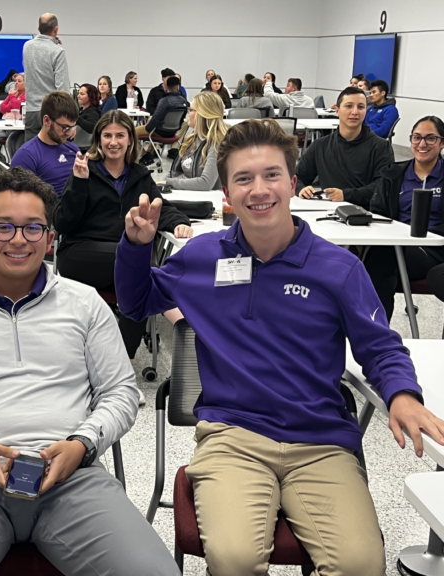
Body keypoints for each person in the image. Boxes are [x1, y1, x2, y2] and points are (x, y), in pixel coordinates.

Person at [114, 118, 444, 576]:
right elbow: (136, 302)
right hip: (233, 436)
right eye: (243, 179)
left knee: (360, 566)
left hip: (321, 440)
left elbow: (381, 347)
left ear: (292, 184)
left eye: (271, 175)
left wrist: (402, 394)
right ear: (227, 194)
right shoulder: (203, 257)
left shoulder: (338, 268)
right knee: (234, 561)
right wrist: (135, 246)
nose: (259, 189)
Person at [0, 166, 180, 576]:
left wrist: (82, 444)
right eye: (3, 227)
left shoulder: (86, 305)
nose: (19, 239)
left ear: (51, 239)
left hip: (72, 479)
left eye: (33, 228)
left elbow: (121, 393)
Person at [54, 109, 192, 370]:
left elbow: (161, 207)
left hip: (123, 257)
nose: (113, 142)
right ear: (98, 139)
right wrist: (79, 184)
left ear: (130, 139)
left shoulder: (139, 175)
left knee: (136, 279)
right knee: (140, 274)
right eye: (107, 135)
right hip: (81, 253)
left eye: (120, 135)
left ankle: (120, 365)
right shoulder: (85, 170)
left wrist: (180, 222)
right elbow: (62, 222)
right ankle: (122, 368)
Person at [365, 116, 444, 320]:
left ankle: (377, 334)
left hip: (434, 249)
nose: (422, 144)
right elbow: (378, 213)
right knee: (382, 259)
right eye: (416, 137)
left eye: (430, 138)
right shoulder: (394, 174)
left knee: (381, 261)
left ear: (442, 143)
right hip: (395, 243)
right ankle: (376, 330)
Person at [297, 86, 394, 208]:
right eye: (349, 106)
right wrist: (301, 189)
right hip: (327, 213)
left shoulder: (381, 147)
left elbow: (384, 186)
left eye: (360, 107)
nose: (354, 112)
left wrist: (346, 195)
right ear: (337, 110)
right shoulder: (320, 146)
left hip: (366, 216)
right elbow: (297, 177)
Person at [10, 91, 80, 196]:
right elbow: (19, 203)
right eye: (65, 127)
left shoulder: (74, 150)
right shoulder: (26, 156)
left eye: (72, 127)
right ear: (47, 120)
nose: (69, 133)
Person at [162, 91, 228, 191]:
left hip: (205, 201)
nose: (188, 113)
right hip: (186, 195)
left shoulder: (217, 143)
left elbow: (205, 183)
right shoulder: (192, 137)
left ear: (203, 114)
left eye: (191, 110)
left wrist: (169, 182)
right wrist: (167, 181)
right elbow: (174, 171)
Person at [23, 13, 70, 142]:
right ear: (56, 29)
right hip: (51, 112)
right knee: (52, 155)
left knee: (30, 154)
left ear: (38, 29)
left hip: (31, 110)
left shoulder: (27, 47)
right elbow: (63, 89)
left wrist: (53, 41)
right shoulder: (57, 51)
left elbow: (40, 46)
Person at [137, 76, 188, 166]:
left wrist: (147, 127)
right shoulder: (184, 102)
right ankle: (149, 152)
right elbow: (181, 120)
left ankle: (144, 156)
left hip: (160, 131)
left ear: (166, 87)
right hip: (173, 132)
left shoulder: (164, 101)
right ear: (178, 87)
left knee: (129, 132)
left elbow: (155, 119)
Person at [0, 73, 27, 157]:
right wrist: (11, 98)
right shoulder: (15, 95)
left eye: (19, 81)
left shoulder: (26, 95)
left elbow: (17, 106)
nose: (16, 83)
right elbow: (2, 108)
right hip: (9, 126)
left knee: (10, 140)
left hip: (19, 129)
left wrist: (11, 96)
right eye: (16, 81)